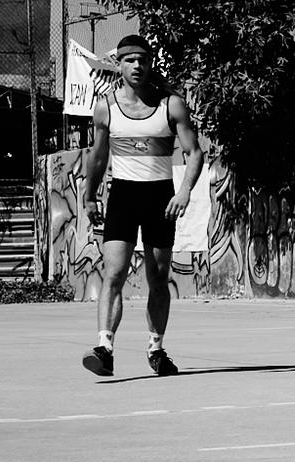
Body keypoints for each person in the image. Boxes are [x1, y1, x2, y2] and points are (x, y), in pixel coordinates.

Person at [79, 35, 203, 378]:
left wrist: (184, 192)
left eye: (142, 60)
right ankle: (104, 348)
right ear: (119, 64)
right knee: (114, 273)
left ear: (151, 64)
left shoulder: (171, 104)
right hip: (122, 197)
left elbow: (194, 152)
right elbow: (99, 155)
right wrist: (90, 196)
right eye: (130, 60)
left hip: (159, 199)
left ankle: (156, 349)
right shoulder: (106, 106)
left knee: (158, 278)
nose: (137, 66)